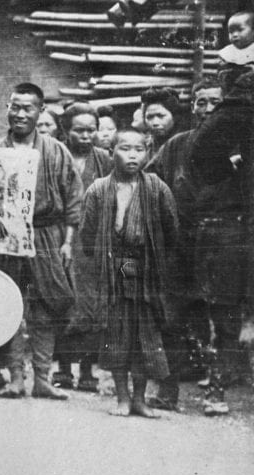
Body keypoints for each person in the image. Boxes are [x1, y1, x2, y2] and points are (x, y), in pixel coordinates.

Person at [80, 129, 178, 418]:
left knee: (145, 336)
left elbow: (171, 230)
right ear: (111, 153)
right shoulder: (98, 190)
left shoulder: (156, 188)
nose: (132, 155)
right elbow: (87, 236)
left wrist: (154, 259)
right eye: (125, 148)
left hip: (146, 272)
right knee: (117, 334)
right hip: (114, 271)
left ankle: (139, 399)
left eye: (139, 149)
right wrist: (108, 259)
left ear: (147, 153)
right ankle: (122, 397)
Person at [0, 82, 82, 401]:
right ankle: (16, 377)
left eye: (27, 108)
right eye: (14, 107)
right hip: (7, 236)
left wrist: (67, 242)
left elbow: (73, 198)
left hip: (47, 234)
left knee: (45, 306)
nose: (20, 114)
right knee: (11, 304)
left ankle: (42, 378)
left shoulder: (56, 151)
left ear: (40, 111)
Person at [143, 78, 223, 412]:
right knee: (172, 316)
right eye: (201, 102)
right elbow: (148, 184)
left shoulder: (243, 144)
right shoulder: (177, 145)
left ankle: (217, 392)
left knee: (223, 318)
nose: (208, 109)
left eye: (215, 102)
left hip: (224, 243)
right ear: (192, 107)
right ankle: (168, 389)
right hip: (179, 245)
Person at [188, 60, 254, 415]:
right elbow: (204, 153)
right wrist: (232, 166)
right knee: (224, 308)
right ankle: (217, 388)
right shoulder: (241, 102)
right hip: (235, 222)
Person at [53, 101, 113, 392]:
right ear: (66, 130)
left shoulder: (105, 159)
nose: (86, 136)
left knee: (93, 303)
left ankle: (88, 370)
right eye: (79, 130)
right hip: (60, 236)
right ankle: (63, 368)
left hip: (94, 240)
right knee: (63, 300)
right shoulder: (56, 155)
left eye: (91, 130)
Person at [140, 87, 181, 153]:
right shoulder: (143, 147)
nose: (155, 123)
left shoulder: (186, 144)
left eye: (161, 116)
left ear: (174, 117)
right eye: (149, 117)